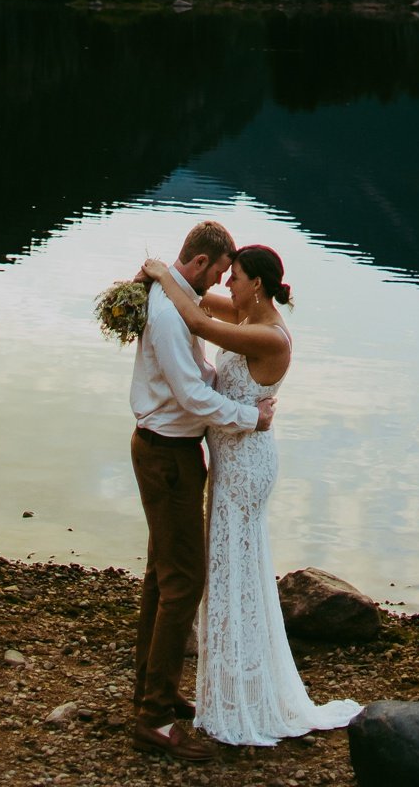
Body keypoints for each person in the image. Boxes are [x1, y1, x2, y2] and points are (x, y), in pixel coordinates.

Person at [141, 242, 362, 748]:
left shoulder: (269, 337)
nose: (226, 284)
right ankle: (230, 685)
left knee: (233, 570)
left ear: (256, 284)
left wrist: (158, 268)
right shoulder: (244, 314)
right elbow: (193, 301)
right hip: (228, 462)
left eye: (234, 276)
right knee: (228, 572)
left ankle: (242, 693)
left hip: (245, 469)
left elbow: (197, 323)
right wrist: (160, 282)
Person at [129, 219, 275, 764]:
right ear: (199, 263)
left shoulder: (178, 303)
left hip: (174, 453)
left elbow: (193, 374)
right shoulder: (170, 313)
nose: (220, 283)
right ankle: (154, 718)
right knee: (184, 584)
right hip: (166, 455)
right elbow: (190, 395)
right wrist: (248, 418)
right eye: (219, 270)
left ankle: (151, 691)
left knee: (161, 576)